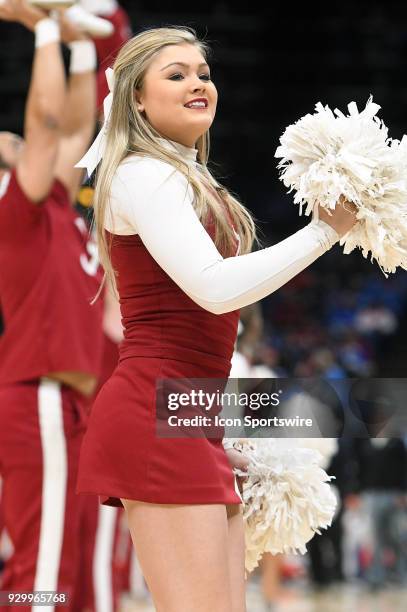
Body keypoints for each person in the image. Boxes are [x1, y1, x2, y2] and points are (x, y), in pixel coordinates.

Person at [75, 26, 358, 612]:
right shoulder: (142, 174)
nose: (197, 83)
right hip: (154, 413)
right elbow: (212, 290)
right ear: (136, 99)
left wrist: (215, 429)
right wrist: (324, 231)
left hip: (186, 414)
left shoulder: (186, 178)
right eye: (174, 75)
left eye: (202, 73)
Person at [0, 1, 104, 608]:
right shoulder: (18, 212)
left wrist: (81, 43)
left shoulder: (59, 209)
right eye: (8, 142)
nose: (21, 142)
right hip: (38, 395)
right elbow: (44, 122)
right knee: (39, 576)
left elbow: (74, 129)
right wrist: (42, 29)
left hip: (61, 400)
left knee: (51, 565)